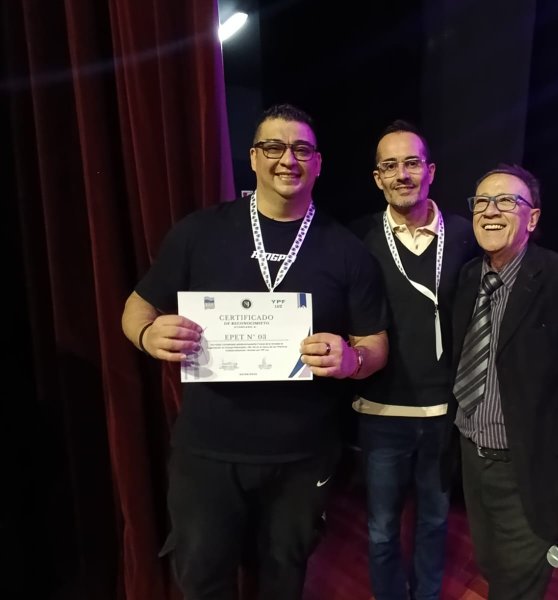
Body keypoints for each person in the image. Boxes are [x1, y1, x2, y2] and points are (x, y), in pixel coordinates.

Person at [120, 104, 389, 600]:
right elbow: (136, 307)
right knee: (203, 581)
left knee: (284, 580)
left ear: (318, 163)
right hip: (206, 452)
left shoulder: (348, 250)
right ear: (252, 157)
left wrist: (352, 360)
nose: (288, 159)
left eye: (301, 149)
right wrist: (147, 334)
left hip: (302, 455)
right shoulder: (199, 232)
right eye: (274, 147)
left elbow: (376, 344)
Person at [450, 164, 558, 598]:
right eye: (482, 202)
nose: (491, 210)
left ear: (532, 218)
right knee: (493, 565)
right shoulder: (469, 277)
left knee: (518, 582)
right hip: (472, 457)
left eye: (506, 201)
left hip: (530, 467)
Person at [349, 120, 478, 600]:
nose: (402, 174)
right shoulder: (359, 238)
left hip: (445, 410)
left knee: (435, 520)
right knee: (382, 527)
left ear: (430, 171)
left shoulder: (465, 235)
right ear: (377, 178)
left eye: (411, 163)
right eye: (390, 166)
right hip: (381, 410)